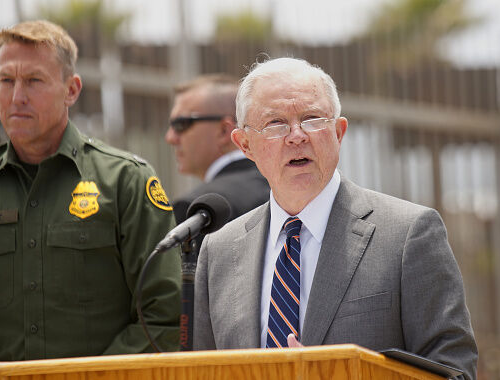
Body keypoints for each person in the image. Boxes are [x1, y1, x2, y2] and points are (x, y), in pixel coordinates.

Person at [193, 57, 478, 379]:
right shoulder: (219, 250)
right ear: (245, 144)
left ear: (338, 132)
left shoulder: (407, 234)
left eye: (312, 119)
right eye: (276, 124)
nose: (297, 135)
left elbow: (455, 370)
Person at [0, 20, 181, 379]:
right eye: (5, 80)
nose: (17, 97)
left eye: (34, 80)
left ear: (72, 90)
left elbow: (165, 314)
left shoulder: (125, 181)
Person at [165, 74, 269, 239]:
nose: (170, 138)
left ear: (223, 131)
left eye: (181, 124)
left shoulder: (195, 210)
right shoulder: (284, 189)